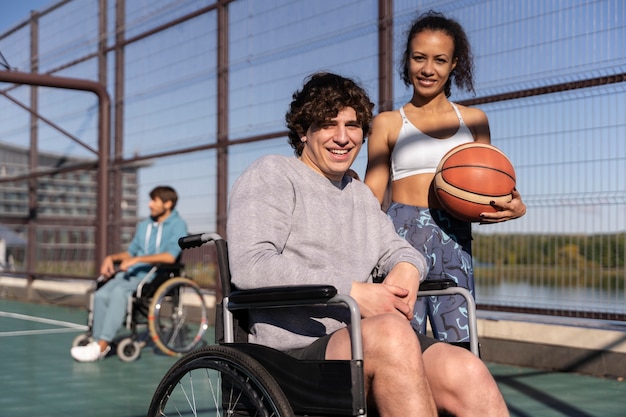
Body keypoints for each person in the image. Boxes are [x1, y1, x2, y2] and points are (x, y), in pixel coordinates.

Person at [227, 72, 509, 416]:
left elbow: (397, 249)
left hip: (366, 339)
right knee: (392, 333)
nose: (343, 138)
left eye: (353, 125)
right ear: (303, 131)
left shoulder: (359, 194)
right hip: (294, 356)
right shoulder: (273, 173)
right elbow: (251, 265)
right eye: (329, 124)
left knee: (468, 370)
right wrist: (352, 291)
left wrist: (407, 268)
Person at [364, 11, 526, 347]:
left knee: (461, 347)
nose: (427, 69)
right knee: (399, 346)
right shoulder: (388, 123)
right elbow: (371, 196)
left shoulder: (474, 120)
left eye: (439, 60)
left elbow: (491, 192)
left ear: (454, 64)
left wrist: (514, 207)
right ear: (406, 60)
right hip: (400, 237)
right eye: (418, 57)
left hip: (454, 238)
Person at [71, 186, 188, 362]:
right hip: (131, 274)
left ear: (168, 203)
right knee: (101, 294)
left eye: (154, 201)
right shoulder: (144, 225)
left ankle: (102, 344)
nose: (149, 205)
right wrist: (112, 258)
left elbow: (170, 256)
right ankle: (97, 342)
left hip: (156, 276)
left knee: (119, 293)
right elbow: (131, 253)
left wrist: (138, 260)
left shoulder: (178, 225)